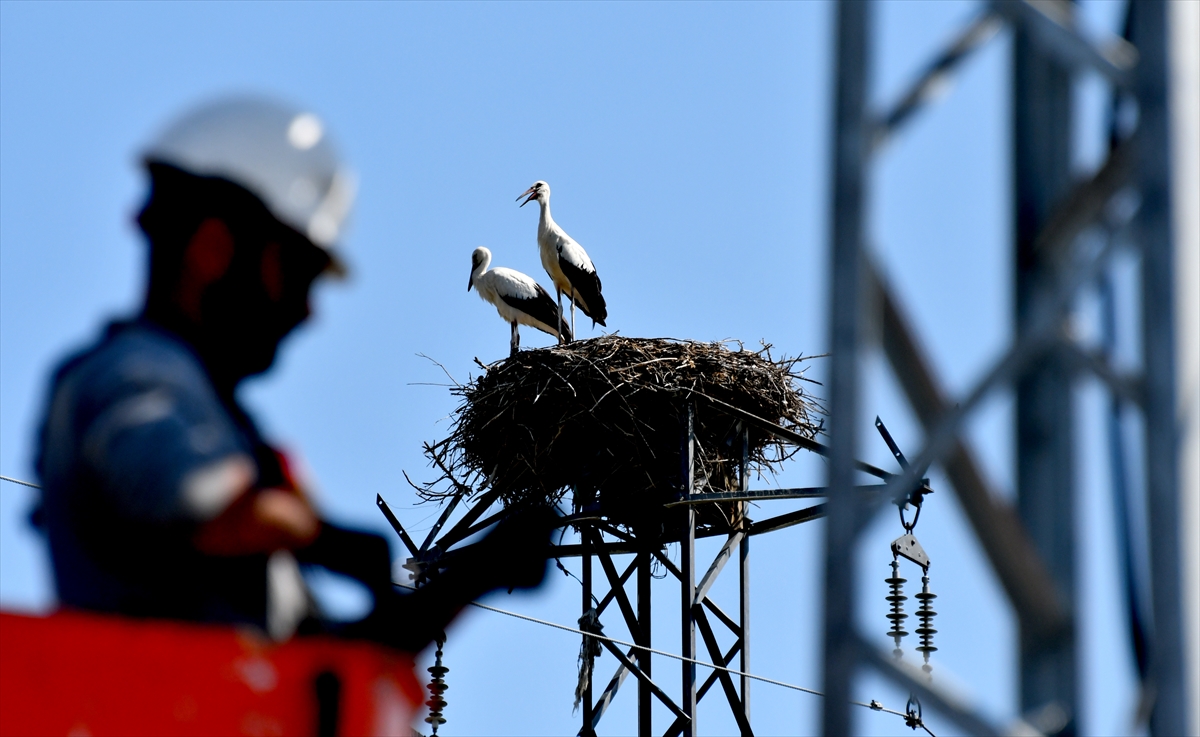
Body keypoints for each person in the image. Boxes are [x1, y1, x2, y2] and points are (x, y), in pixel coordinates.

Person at [33, 96, 550, 652]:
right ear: (213, 249)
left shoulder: (225, 429)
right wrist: (320, 536)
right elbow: (202, 506)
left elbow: (331, 663)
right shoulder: (131, 376)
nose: (308, 312)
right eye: (296, 272)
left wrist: (478, 571)